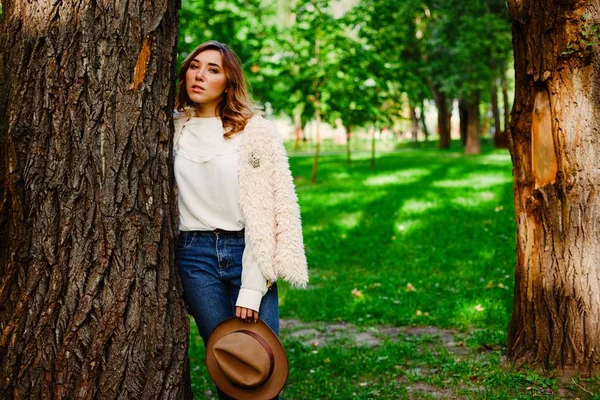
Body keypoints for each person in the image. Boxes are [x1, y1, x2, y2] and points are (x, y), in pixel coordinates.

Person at [173, 40, 308, 399]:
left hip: (247, 251)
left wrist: (252, 286)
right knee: (230, 369)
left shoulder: (254, 133)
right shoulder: (172, 130)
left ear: (229, 82)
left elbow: (267, 213)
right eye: (194, 66)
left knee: (260, 367)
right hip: (194, 257)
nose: (199, 75)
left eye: (213, 70)